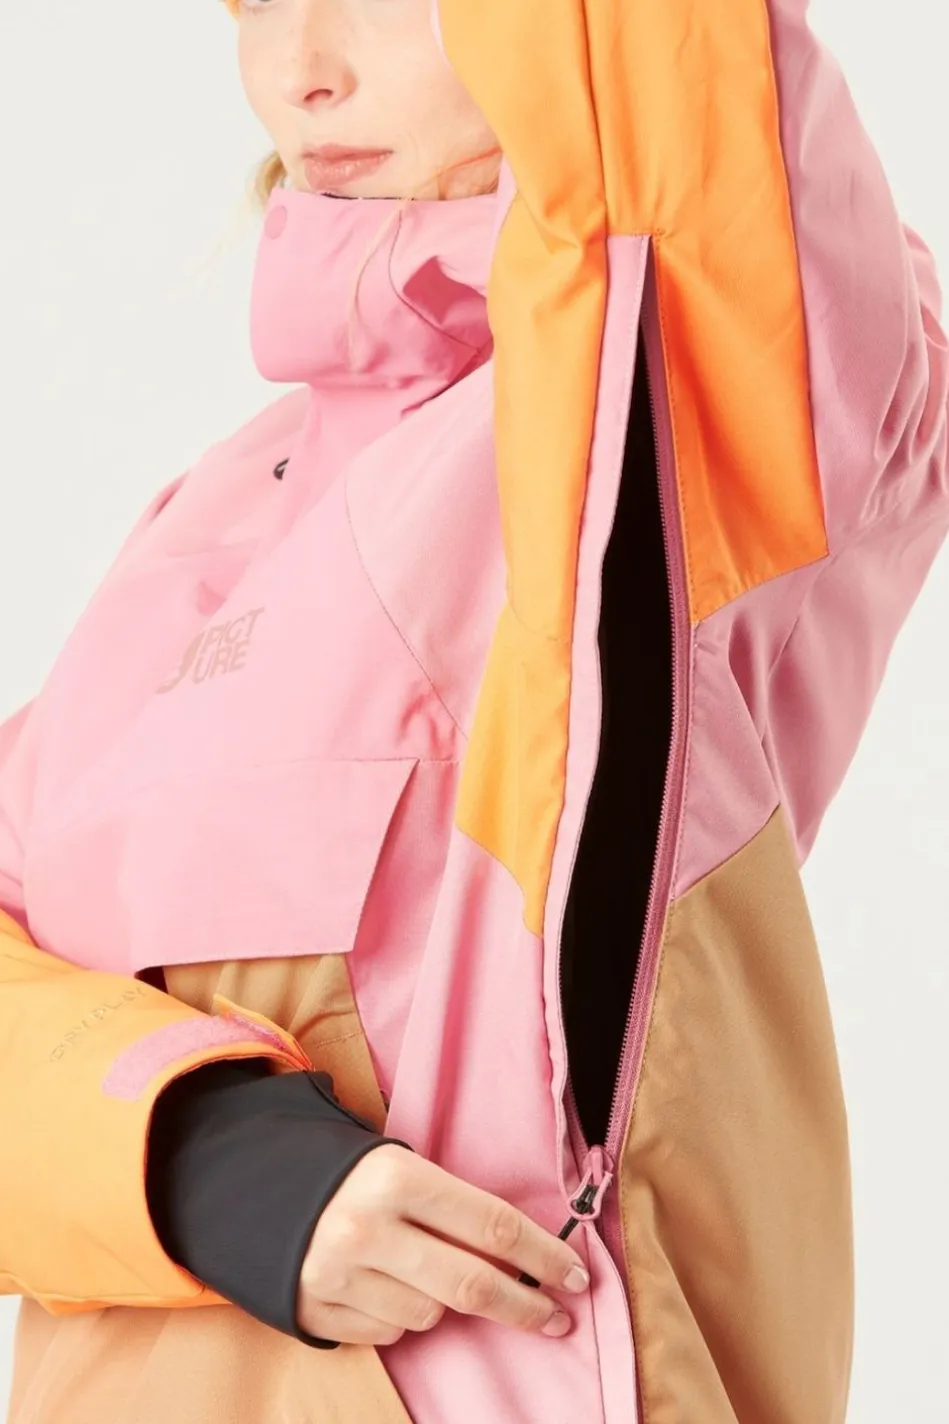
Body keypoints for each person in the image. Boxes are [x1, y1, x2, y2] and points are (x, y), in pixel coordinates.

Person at [1, 1, 947, 1421]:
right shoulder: (208, 521)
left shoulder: (673, 397)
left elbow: (685, 94)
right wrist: (190, 1148)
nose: (300, 71)